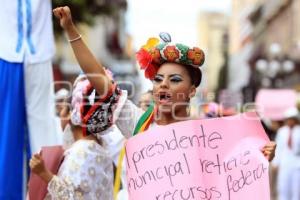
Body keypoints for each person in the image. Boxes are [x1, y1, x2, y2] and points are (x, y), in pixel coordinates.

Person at [53, 2, 276, 174]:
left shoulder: (208, 135)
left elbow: (234, 174)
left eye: (175, 80)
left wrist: (260, 155)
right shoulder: (139, 124)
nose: (163, 85)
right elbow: (100, 79)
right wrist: (71, 30)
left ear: (192, 90)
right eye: (158, 79)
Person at [0, 1, 61, 198]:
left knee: (43, 126)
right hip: (6, 51)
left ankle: (45, 193)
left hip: (39, 52)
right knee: (7, 130)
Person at [29, 73, 122, 199]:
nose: (60, 114)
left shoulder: (82, 151)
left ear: (71, 114)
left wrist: (43, 173)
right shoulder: (100, 150)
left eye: (62, 109)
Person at [272, 107, 300, 200]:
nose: (290, 121)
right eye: (288, 119)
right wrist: (275, 163)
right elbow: (279, 148)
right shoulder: (282, 131)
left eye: (292, 119)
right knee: (283, 189)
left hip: (297, 166)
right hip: (284, 164)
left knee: (296, 190)